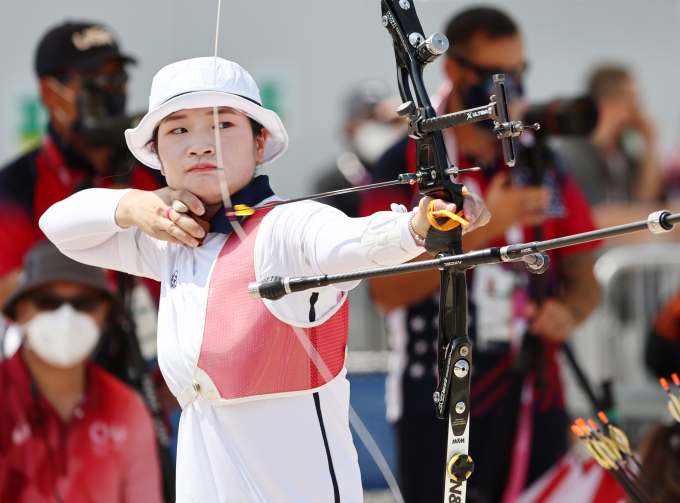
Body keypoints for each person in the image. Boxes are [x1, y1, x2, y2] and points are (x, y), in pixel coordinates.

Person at [38, 56, 490, 502]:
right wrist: (134, 205)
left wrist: (419, 226)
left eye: (223, 125)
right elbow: (58, 227)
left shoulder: (287, 228)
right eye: (177, 130)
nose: (200, 144)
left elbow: (352, 240)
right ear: (156, 153)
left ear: (259, 143)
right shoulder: (171, 241)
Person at [359, 7, 601, 503]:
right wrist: (486, 229)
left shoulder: (541, 158)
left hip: (539, 395)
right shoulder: (406, 160)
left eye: (518, 72)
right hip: (440, 401)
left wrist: (570, 311)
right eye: (495, 74)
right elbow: (385, 290)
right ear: (453, 69)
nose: (508, 86)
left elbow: (585, 272)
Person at [0, 21, 165, 307]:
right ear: (49, 92)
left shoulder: (160, 168)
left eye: (117, 79)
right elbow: (5, 291)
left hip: (160, 349)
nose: (111, 93)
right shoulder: (15, 186)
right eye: (92, 82)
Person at [0, 241, 163, 503]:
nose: (66, 317)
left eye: (84, 303)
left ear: (104, 312)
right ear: (20, 309)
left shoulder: (128, 409)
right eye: (48, 301)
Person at [551, 65, 665, 230]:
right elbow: (598, 219)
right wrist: (667, 222)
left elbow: (645, 198)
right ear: (608, 103)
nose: (638, 111)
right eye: (631, 100)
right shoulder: (573, 153)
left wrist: (650, 144)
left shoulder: (620, 150)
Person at [314, 81, 405, 218]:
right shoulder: (331, 183)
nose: (379, 126)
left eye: (385, 120)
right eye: (368, 119)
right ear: (349, 129)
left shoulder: (412, 171)